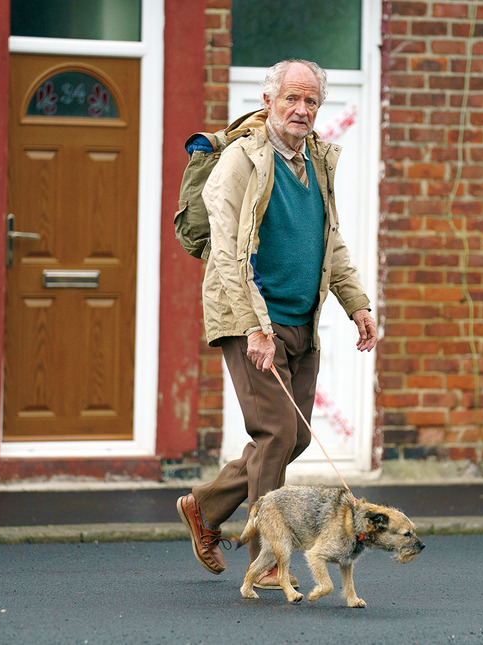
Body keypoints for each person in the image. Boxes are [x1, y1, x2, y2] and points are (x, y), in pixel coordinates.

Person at [176, 59, 378, 590]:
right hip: (250, 318)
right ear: (269, 100)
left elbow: (329, 240)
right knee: (276, 432)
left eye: (311, 101)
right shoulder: (242, 161)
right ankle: (265, 561)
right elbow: (227, 253)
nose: (301, 109)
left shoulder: (318, 160)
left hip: (300, 320)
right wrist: (254, 327)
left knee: (291, 441)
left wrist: (356, 303)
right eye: (292, 98)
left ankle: (204, 508)